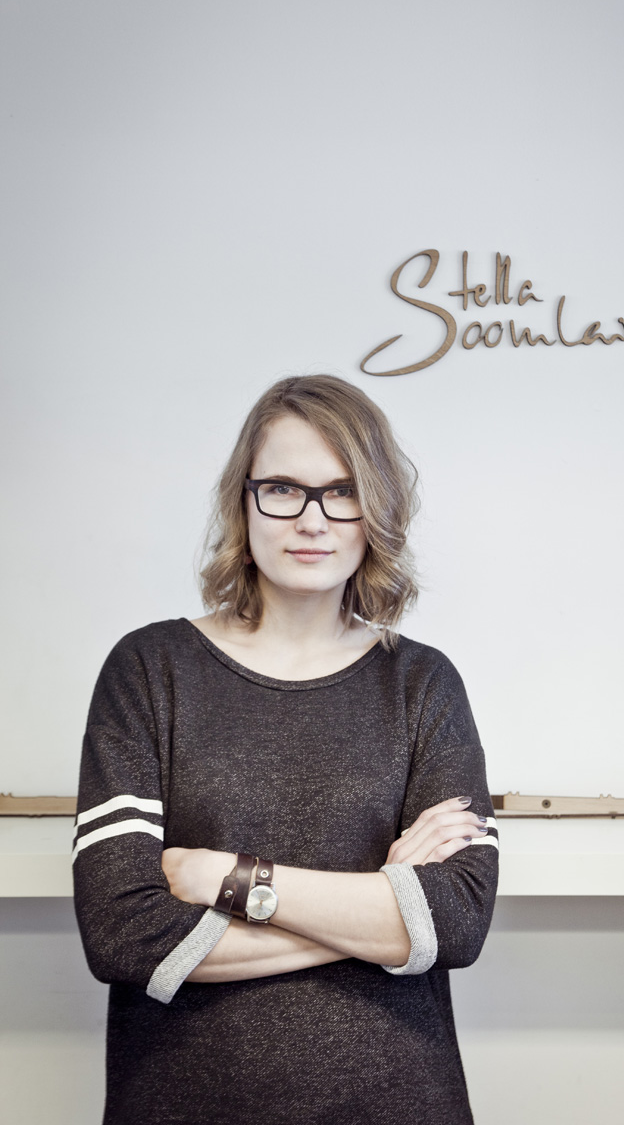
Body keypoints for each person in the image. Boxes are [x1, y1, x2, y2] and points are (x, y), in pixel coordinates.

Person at [73, 374, 499, 1125]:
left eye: (343, 492)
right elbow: (122, 935)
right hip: (185, 1104)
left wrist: (224, 877)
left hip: (398, 1102)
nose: (311, 519)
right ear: (243, 501)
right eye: (282, 489)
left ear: (377, 510)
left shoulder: (422, 682)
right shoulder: (148, 669)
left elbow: (457, 922)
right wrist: (382, 905)